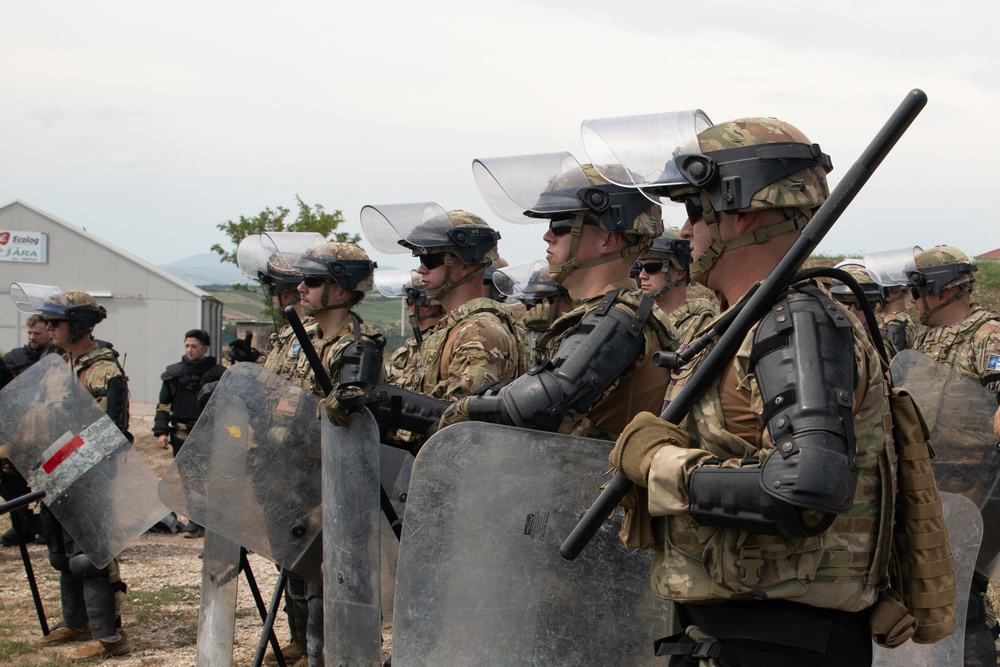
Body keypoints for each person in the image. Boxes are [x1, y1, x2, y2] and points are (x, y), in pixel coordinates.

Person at [603, 116, 895, 665]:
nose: (685, 231)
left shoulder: (795, 321)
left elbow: (807, 488)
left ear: (737, 213)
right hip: (740, 634)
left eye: (694, 209)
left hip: (781, 642)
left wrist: (662, 466)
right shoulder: (750, 319)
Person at [440, 154, 678, 454]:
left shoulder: (619, 317)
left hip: (595, 494)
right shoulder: (607, 312)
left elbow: (537, 406)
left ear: (608, 240)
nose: (547, 235)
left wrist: (463, 408)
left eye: (561, 225)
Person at [280, 235, 384, 667]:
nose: (300, 288)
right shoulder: (297, 339)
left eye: (313, 280)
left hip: (334, 482)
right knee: (296, 573)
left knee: (329, 581)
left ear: (340, 290)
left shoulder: (359, 345)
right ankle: (305, 647)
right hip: (291, 477)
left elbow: (346, 413)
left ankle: (328, 656)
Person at [908, 244, 1000, 666]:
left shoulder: (988, 334)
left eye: (918, 289)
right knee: (922, 586)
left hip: (974, 485)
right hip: (926, 482)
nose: (913, 300)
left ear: (940, 290)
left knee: (963, 590)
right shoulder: (923, 340)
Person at [36, 290, 130, 661]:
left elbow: (110, 433)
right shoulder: (55, 366)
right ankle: (76, 622)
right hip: (53, 475)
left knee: (90, 559)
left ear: (77, 325)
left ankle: (109, 636)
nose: (48, 328)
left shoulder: (105, 371)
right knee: (60, 554)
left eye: (55, 322)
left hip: (91, 478)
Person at [362, 205, 525, 407]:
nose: (421, 270)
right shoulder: (453, 329)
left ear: (466, 265)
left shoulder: (479, 332)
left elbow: (457, 418)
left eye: (430, 260)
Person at [151, 329, 226, 538]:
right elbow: (164, 404)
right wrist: (161, 431)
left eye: (194, 346)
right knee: (189, 479)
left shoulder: (220, 374)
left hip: (211, 434)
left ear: (205, 348)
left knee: (213, 479)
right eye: (186, 345)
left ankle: (214, 523)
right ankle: (195, 521)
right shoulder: (174, 375)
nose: (189, 350)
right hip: (182, 434)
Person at [1, 314, 55, 546]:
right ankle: (22, 526)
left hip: (48, 430)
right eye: (30, 333)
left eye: (37, 334)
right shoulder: (14, 359)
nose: (32, 338)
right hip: (18, 431)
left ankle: (49, 528)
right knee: (11, 480)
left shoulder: (57, 358)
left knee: (49, 480)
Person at [633, 230, 716, 350]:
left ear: (680, 272)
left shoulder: (700, 325)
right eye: (640, 268)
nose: (642, 275)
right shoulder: (636, 317)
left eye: (651, 268)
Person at [864, 246, 922, 355]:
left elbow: (889, 364)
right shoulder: (899, 321)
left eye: (879, 289)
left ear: (896, 292)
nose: (875, 297)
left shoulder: (895, 325)